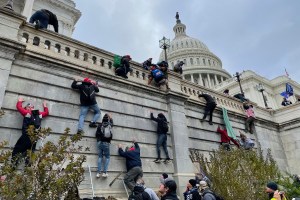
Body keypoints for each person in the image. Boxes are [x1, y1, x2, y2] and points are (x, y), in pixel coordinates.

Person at [12, 97, 49, 167]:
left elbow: (19, 108)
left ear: (27, 108)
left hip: (26, 136)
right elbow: (46, 113)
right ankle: (27, 170)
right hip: (34, 138)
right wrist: (45, 106)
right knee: (30, 154)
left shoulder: (27, 112)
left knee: (16, 151)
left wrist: (20, 101)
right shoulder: (39, 114)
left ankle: (12, 167)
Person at [95, 114, 113, 178]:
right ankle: (104, 173)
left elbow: (96, 134)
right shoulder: (109, 125)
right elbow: (112, 124)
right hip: (106, 143)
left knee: (100, 157)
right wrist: (111, 118)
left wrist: (99, 140)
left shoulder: (99, 125)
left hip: (99, 143)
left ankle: (98, 173)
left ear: (102, 120)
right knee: (107, 157)